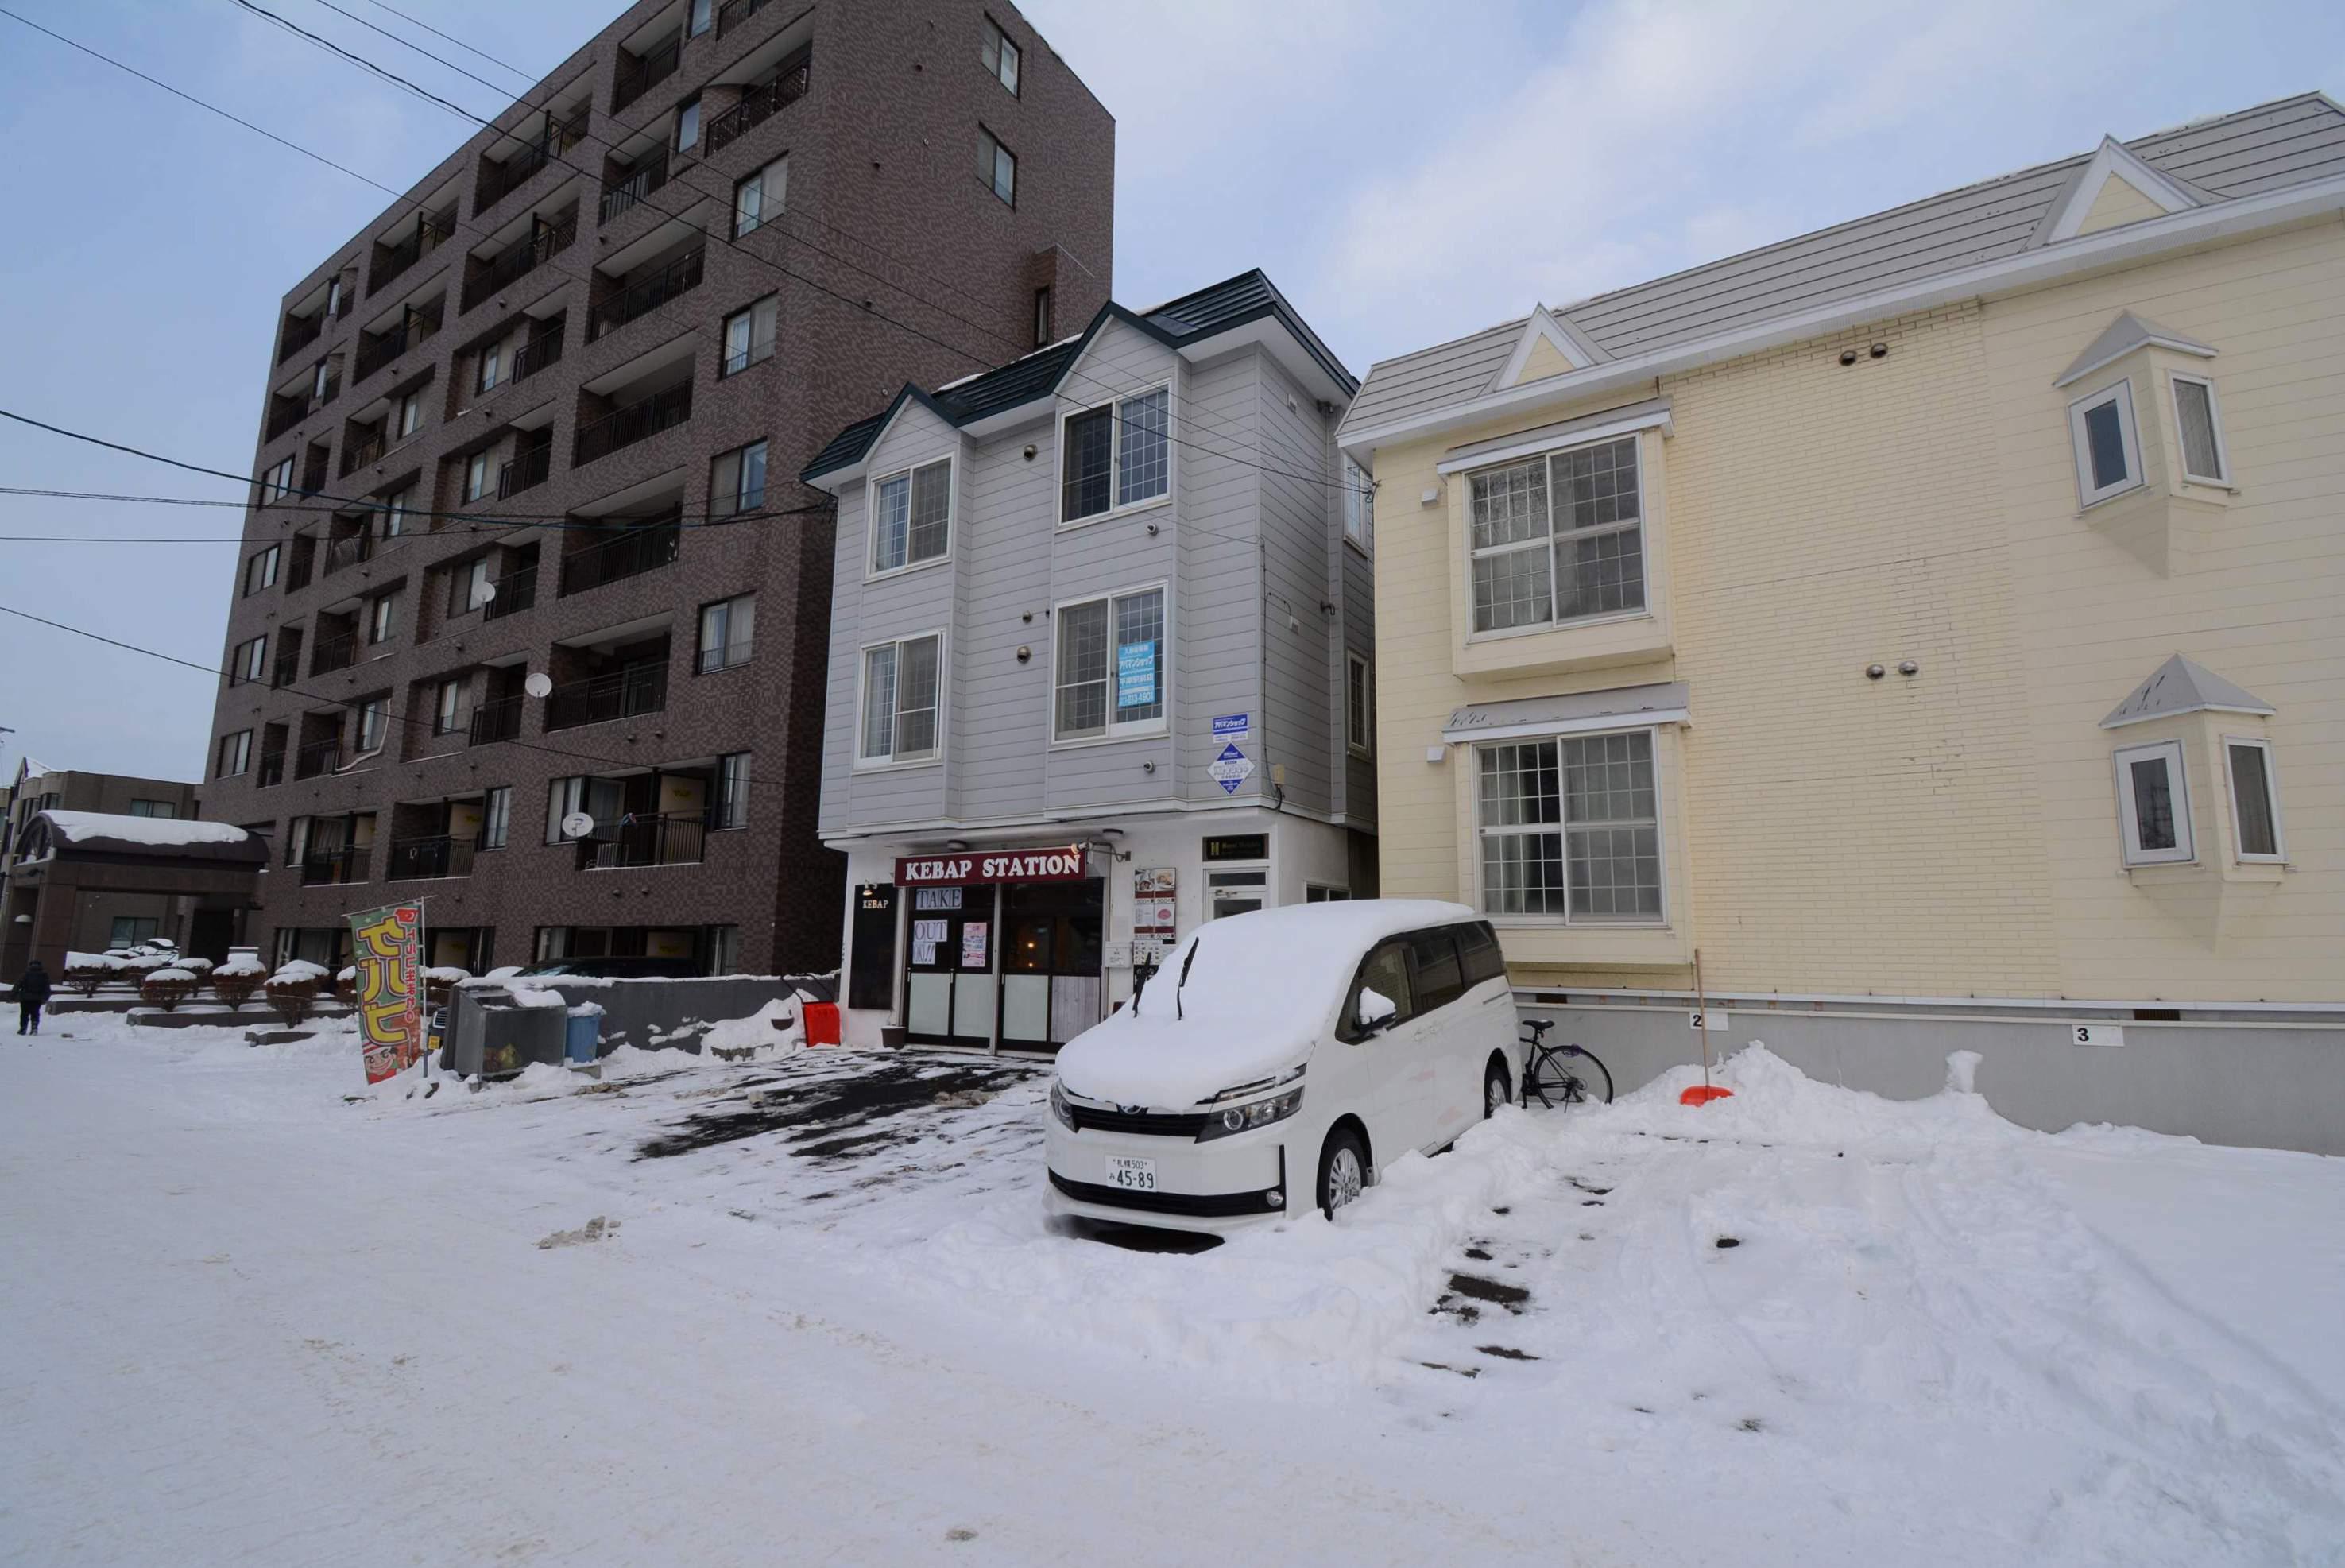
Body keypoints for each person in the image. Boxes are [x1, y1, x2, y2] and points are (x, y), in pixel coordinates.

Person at [15, 958, 53, 1036]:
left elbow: (18, 985)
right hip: (37, 998)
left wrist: (13, 995)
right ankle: (34, 1028)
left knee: (24, 1014)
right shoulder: (44, 975)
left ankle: (23, 1028)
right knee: (35, 1013)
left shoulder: (26, 974)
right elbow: (47, 987)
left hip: (25, 998)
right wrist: (46, 997)